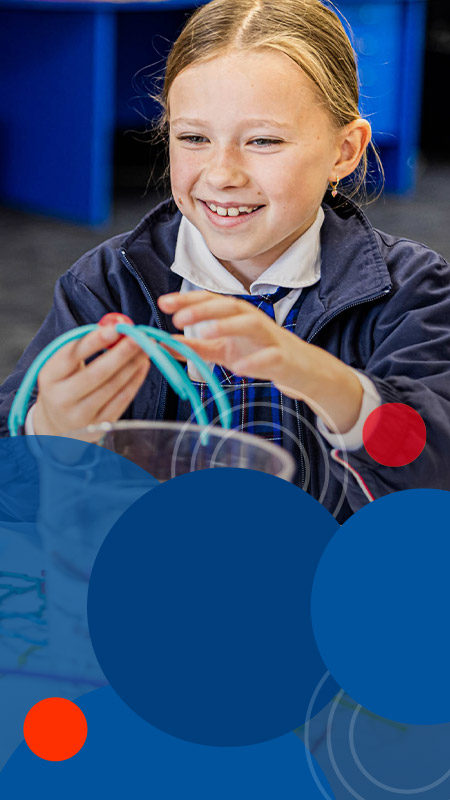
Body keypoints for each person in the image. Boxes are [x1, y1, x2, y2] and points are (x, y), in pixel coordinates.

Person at [1, 0, 450, 522]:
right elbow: (15, 491)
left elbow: (429, 478)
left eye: (263, 140)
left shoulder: (413, 290)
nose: (221, 174)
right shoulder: (107, 283)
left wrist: (317, 376)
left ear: (344, 152)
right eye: (193, 138)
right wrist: (48, 428)